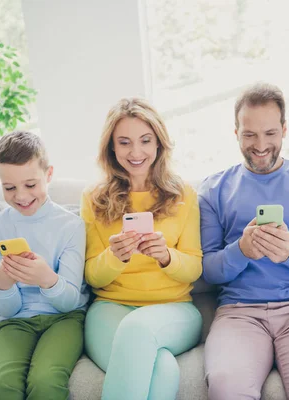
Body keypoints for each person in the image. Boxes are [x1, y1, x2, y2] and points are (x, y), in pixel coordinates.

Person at [199, 82, 289, 400]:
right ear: (235, 133)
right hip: (239, 312)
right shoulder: (213, 189)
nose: (260, 145)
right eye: (249, 134)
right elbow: (208, 269)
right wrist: (242, 250)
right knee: (226, 387)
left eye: (269, 133)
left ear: (284, 130)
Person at [81, 98, 203, 400]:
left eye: (145, 141)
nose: (136, 153)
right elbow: (93, 276)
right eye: (124, 143)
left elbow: (195, 268)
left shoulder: (183, 194)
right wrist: (115, 256)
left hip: (174, 308)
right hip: (110, 308)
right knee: (163, 370)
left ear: (159, 143)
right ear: (111, 148)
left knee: (137, 330)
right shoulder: (94, 198)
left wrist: (166, 256)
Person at [0, 131, 89, 399]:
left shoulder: (72, 226)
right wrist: (2, 284)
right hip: (15, 322)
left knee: (46, 381)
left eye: (30, 185)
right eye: (9, 188)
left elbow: (68, 301)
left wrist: (46, 279)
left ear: (48, 175)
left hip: (65, 318)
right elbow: (7, 308)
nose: (21, 196)